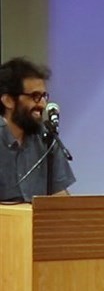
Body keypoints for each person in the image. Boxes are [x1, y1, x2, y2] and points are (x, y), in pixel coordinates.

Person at [0, 57, 75, 202]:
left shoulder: (46, 139)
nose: (42, 104)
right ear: (8, 100)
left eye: (43, 96)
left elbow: (59, 195)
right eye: (35, 96)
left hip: (37, 217)